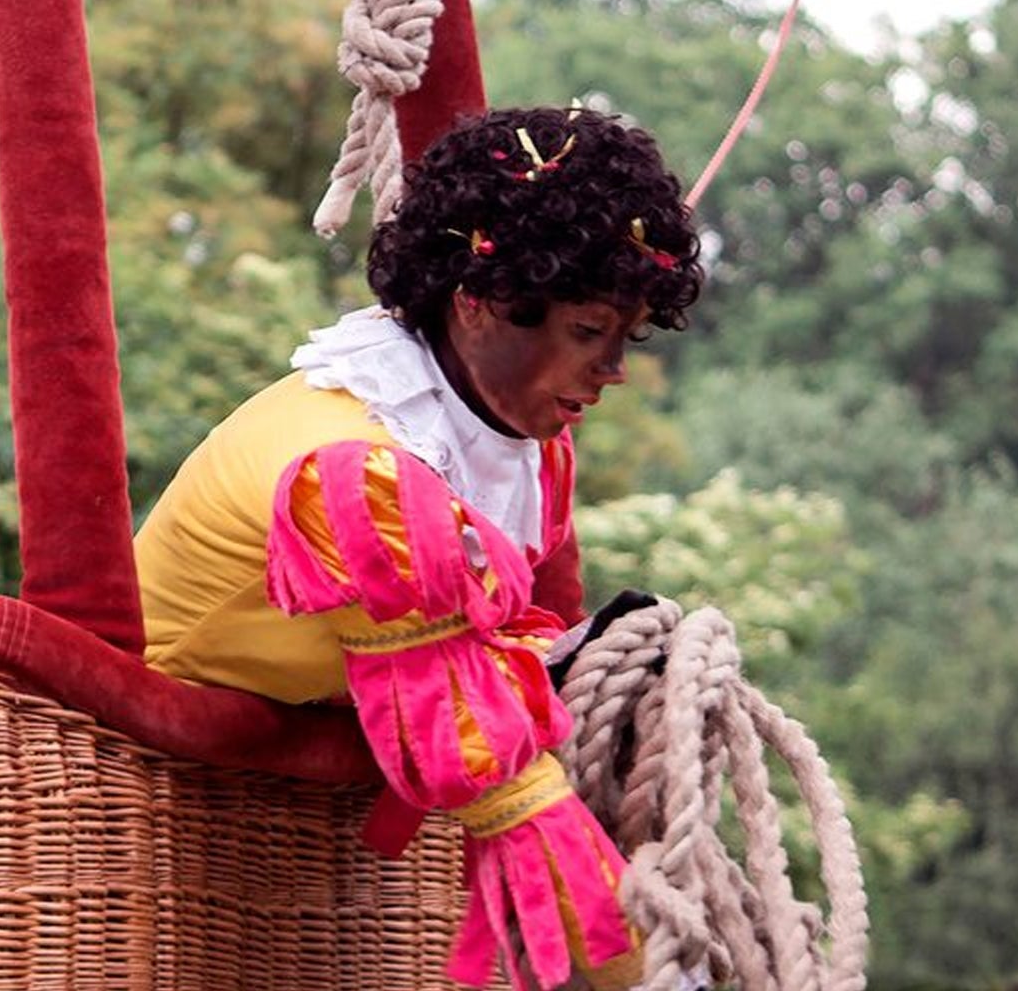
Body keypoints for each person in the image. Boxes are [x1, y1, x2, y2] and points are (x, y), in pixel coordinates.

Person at [133, 106, 703, 991]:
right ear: (475, 306)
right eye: (590, 332)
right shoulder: (359, 475)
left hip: (292, 803)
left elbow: (506, 633)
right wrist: (669, 976)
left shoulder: (529, 448)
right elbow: (488, 772)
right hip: (153, 797)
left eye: (625, 337)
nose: (615, 369)